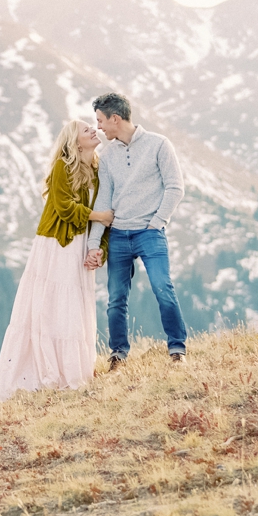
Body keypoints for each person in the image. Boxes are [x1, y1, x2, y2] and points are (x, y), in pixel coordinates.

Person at [0, 118, 115, 401]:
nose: (93, 131)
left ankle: (73, 371)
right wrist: (98, 216)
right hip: (57, 244)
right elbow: (64, 207)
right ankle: (45, 372)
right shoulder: (63, 165)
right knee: (52, 306)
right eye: (87, 130)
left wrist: (100, 249)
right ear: (74, 141)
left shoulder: (98, 170)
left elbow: (107, 216)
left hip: (83, 244)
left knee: (73, 308)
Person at [93, 92, 189, 368]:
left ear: (115, 118)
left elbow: (175, 187)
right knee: (116, 299)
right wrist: (94, 244)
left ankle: (177, 349)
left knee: (163, 287)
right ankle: (118, 354)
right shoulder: (107, 154)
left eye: (101, 121)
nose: (99, 127)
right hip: (119, 235)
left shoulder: (159, 144)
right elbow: (103, 201)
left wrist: (157, 222)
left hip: (149, 233)